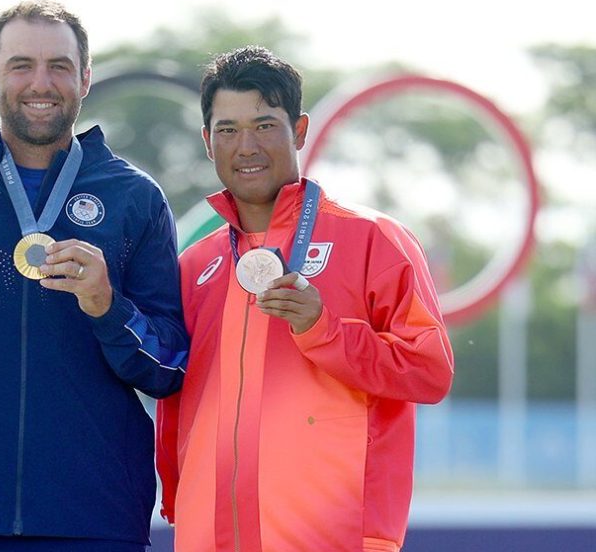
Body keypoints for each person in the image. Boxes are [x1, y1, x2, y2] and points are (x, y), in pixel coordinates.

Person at [0, 0, 188, 551]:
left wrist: (108, 307)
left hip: (95, 519)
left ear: (85, 78)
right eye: (21, 65)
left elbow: (170, 366)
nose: (41, 82)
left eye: (59, 66)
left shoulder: (134, 197)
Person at [156, 46, 455, 552]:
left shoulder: (374, 239)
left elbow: (429, 372)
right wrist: (179, 502)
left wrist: (326, 330)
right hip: (208, 536)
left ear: (298, 130)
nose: (245, 146)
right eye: (227, 130)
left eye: (265, 125)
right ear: (208, 142)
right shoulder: (193, 265)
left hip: (333, 538)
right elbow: (176, 400)